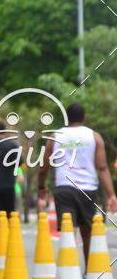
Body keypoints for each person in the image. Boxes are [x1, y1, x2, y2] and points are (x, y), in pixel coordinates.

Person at [38, 102, 117, 262]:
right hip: (87, 190)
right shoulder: (94, 136)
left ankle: (69, 273)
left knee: (68, 231)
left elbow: (44, 166)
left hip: (63, 189)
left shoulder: (55, 136)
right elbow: (102, 167)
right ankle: (88, 272)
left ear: (66, 118)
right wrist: (111, 195)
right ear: (84, 117)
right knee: (87, 233)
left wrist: (41, 186)